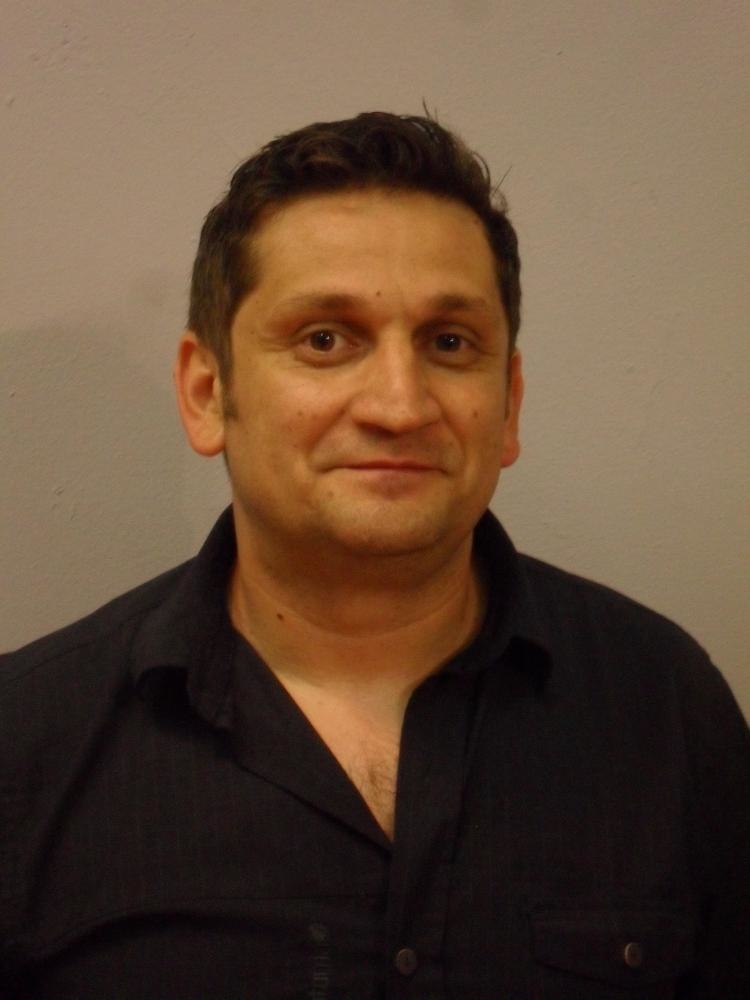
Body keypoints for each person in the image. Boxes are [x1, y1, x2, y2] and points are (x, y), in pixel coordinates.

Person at [1, 112, 747, 1000]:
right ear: (207, 393)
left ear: (508, 405)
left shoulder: (664, 704)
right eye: (325, 339)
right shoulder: (25, 743)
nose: (400, 405)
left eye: (449, 344)